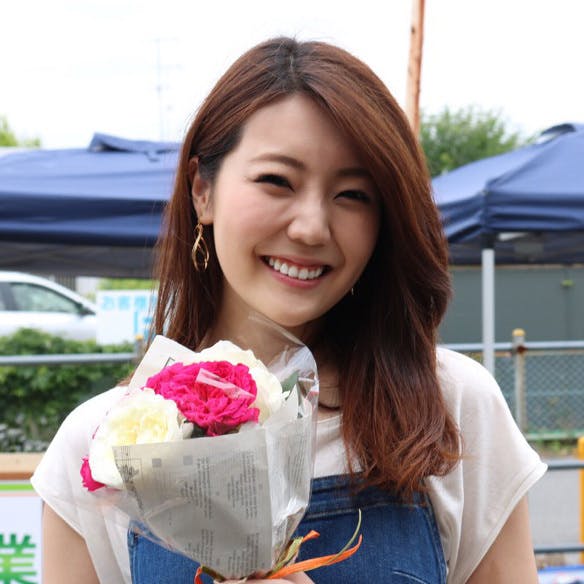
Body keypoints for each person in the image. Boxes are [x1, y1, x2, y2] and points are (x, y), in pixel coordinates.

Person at [32, 37, 546, 584]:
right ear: (202, 190)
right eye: (276, 181)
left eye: (353, 194)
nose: (311, 227)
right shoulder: (100, 447)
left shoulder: (450, 408)